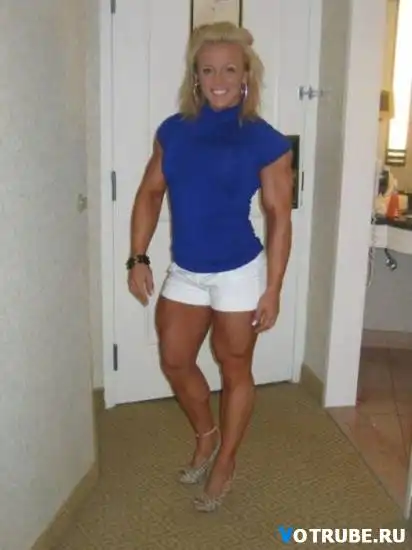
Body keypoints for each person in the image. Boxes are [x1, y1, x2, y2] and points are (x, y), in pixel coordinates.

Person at [126, 21, 293, 512]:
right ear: (195, 77)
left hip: (239, 272)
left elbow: (280, 218)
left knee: (235, 366)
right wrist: (138, 255)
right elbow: (149, 192)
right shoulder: (173, 131)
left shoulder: (264, 140)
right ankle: (207, 434)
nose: (218, 80)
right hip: (187, 270)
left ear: (246, 77)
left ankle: (226, 461)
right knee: (175, 359)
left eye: (229, 70)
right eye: (208, 70)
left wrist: (273, 288)